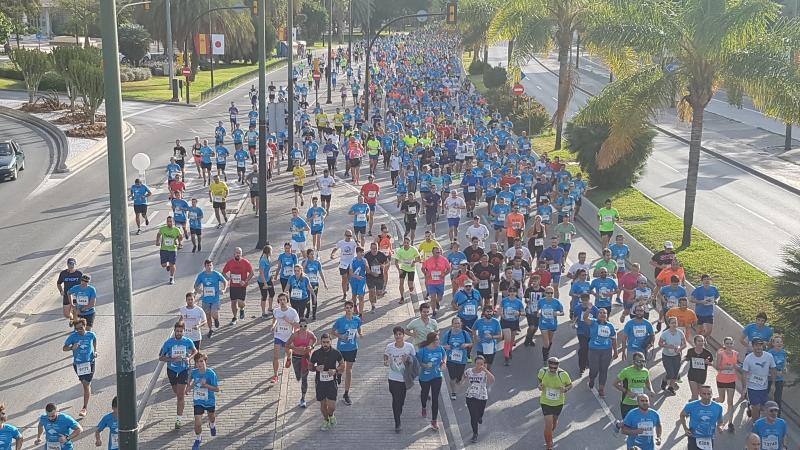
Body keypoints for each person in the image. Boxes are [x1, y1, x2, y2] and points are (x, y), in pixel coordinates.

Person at [159, 320, 198, 430]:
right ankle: (183, 394)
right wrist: (172, 359)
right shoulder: (168, 343)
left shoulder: (188, 341)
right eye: (177, 331)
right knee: (176, 392)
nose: (179, 333)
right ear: (174, 331)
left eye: (181, 331)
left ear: (183, 331)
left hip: (184, 369)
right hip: (172, 370)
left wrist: (189, 358)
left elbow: (195, 351)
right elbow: (161, 357)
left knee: (180, 396)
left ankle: (178, 420)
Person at [384, 326, 416, 433]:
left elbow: (414, 360)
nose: (398, 336)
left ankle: (398, 413)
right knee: (395, 399)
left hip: (404, 379)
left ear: (403, 335)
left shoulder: (409, 346)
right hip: (393, 378)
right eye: (396, 334)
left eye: (400, 334)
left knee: (401, 401)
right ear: (394, 335)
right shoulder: (390, 346)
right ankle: (397, 422)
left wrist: (408, 358)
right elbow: (385, 354)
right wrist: (385, 361)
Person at [62, 318, 97, 417]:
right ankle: (88, 391)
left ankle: (84, 407)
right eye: (77, 329)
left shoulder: (91, 335)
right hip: (78, 364)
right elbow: (64, 348)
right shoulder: (73, 337)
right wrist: (71, 348)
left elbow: (94, 340)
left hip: (89, 362)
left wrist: (95, 351)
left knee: (86, 384)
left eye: (81, 328)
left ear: (85, 326)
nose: (79, 330)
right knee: (84, 384)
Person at [537, 357, 572, 450]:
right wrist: (540, 386)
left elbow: (570, 385)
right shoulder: (542, 371)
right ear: (548, 366)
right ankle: (549, 444)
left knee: (554, 424)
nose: (552, 369)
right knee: (548, 425)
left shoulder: (563, 374)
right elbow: (539, 380)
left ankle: (550, 434)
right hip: (545, 402)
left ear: (558, 366)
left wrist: (565, 389)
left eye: (555, 368)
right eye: (551, 367)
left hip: (558, 403)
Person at [332, 301, 362, 406]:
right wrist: (340, 336)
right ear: (344, 309)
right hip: (341, 348)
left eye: (350, 308)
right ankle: (339, 373)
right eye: (347, 308)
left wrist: (360, 333)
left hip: (352, 348)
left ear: (353, 309)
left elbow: (359, 328)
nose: (348, 309)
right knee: (341, 367)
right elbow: (333, 331)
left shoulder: (357, 319)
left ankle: (346, 394)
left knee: (349, 370)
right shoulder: (340, 321)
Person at [188, 352, 220, 449]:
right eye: (197, 362)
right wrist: (188, 387)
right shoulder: (194, 372)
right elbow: (191, 379)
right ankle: (198, 439)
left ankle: (212, 425)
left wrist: (205, 385)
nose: (199, 364)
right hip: (198, 400)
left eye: (201, 361)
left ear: (205, 361)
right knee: (197, 422)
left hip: (209, 400)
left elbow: (217, 389)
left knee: (211, 417)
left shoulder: (211, 374)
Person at [416, 332, 447, 431]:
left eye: (438, 339)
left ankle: (434, 420)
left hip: (437, 375)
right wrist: (425, 365)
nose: (438, 341)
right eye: (437, 340)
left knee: (435, 398)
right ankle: (424, 407)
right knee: (424, 394)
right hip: (425, 377)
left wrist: (444, 363)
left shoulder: (440, 348)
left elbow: (444, 355)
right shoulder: (422, 351)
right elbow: (418, 362)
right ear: (431, 341)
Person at [584, 305, 617, 397]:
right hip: (594, 350)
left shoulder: (610, 326)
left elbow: (614, 339)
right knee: (594, 369)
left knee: (604, 370)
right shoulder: (593, 322)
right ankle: (592, 379)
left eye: (604, 313)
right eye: (600, 313)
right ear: (597, 315)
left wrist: (615, 351)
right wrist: (588, 309)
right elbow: (585, 318)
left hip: (606, 350)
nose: (602, 314)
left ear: (607, 315)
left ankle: (601, 389)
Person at [680, 384, 724, 450]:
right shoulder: (691, 405)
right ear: (700, 394)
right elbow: (682, 415)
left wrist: (720, 427)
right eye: (704, 394)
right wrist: (685, 428)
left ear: (712, 394)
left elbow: (720, 421)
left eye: (708, 394)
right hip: (694, 436)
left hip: (709, 437)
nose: (706, 396)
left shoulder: (718, 407)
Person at [742, 338, 777, 420]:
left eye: (760, 345)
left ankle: (750, 408)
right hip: (752, 387)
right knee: (756, 407)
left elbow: (773, 369)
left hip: (764, 387)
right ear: (752, 346)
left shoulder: (768, 356)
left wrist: (773, 384)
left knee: (762, 408)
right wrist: (744, 388)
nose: (759, 347)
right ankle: (756, 424)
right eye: (756, 345)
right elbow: (744, 373)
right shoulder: (748, 358)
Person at [614, 352, 654, 421]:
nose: (641, 364)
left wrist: (651, 390)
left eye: (643, 361)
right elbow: (615, 383)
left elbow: (647, 381)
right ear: (633, 362)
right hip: (627, 403)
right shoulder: (626, 371)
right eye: (639, 361)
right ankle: (618, 425)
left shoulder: (645, 371)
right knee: (627, 423)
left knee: (639, 423)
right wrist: (627, 392)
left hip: (640, 403)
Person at [287, 318, 317, 408]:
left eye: (305, 326)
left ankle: (303, 398)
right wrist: (296, 348)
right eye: (301, 326)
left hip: (306, 357)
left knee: (304, 378)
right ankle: (299, 377)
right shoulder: (295, 335)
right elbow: (287, 344)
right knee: (298, 376)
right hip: (296, 357)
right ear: (299, 326)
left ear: (307, 326)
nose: (303, 327)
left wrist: (312, 347)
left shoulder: (310, 334)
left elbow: (315, 340)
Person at [464, 355, 495, 443]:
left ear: (484, 364)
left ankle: (479, 417)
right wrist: (460, 383)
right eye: (478, 363)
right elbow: (464, 379)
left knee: (479, 414)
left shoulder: (485, 372)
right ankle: (475, 434)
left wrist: (486, 370)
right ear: (475, 363)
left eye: (481, 364)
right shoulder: (469, 371)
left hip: (482, 397)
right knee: (473, 416)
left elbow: (492, 380)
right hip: (470, 396)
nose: (479, 365)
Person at [271, 293, 300, 384]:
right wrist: (273, 325)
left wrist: (288, 321)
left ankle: (289, 358)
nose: (282, 302)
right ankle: (275, 376)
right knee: (276, 356)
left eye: (284, 299)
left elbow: (297, 325)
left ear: (287, 300)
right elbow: (274, 319)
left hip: (288, 336)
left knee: (288, 351)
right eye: (280, 300)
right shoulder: (276, 311)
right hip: (278, 335)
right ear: (278, 301)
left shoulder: (292, 312)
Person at [194, 259, 227, 338]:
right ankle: (210, 329)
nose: (209, 267)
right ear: (205, 266)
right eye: (207, 266)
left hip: (215, 298)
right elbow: (195, 285)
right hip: (205, 299)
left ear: (212, 266)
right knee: (208, 316)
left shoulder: (216, 274)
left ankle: (216, 319)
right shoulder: (201, 275)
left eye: (210, 265)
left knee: (213, 312)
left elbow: (225, 281)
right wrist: (198, 290)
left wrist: (224, 289)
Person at [442, 317, 473, 399]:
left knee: (459, 377)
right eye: (455, 323)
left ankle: (458, 380)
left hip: (461, 359)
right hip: (450, 359)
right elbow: (442, 346)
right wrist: (446, 347)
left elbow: (471, 344)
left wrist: (466, 345)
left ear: (461, 324)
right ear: (452, 324)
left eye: (458, 323)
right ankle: (453, 392)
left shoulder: (464, 333)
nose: (457, 325)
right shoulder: (448, 334)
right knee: (452, 377)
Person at [222, 247, 254, 325]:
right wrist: (228, 278)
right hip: (233, 285)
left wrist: (245, 281)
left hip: (242, 285)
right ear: (234, 254)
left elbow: (251, 273)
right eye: (236, 253)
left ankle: (242, 309)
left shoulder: (245, 262)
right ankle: (234, 317)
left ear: (241, 254)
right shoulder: (230, 262)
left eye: (239, 253)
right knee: (233, 302)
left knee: (240, 303)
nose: (238, 254)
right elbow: (223, 272)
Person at [714, 336, 738, 432]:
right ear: (724, 344)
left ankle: (730, 423)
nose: (729, 345)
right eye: (727, 343)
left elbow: (735, 365)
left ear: (733, 344)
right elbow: (717, 367)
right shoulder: (721, 353)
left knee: (730, 402)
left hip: (731, 379)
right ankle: (715, 400)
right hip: (721, 379)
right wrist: (727, 368)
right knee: (722, 399)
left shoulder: (736, 353)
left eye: (731, 343)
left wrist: (737, 367)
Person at [658, 317, 687, 395]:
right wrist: (668, 346)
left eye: (675, 322)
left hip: (677, 355)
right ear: (669, 324)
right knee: (670, 373)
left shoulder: (680, 333)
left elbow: (685, 344)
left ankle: (671, 387)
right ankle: (664, 381)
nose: (674, 324)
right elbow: (660, 343)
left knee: (675, 374)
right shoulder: (665, 333)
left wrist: (679, 349)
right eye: (672, 323)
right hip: (667, 356)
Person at [422, 247, 451, 317]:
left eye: (439, 252)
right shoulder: (428, 260)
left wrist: (444, 274)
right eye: (437, 252)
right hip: (431, 282)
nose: (438, 253)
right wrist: (426, 273)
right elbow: (423, 268)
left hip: (440, 282)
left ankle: (437, 302)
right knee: (433, 298)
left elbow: (449, 268)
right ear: (433, 253)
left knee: (440, 297)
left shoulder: (444, 260)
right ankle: (433, 311)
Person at [537, 287, 564, 363]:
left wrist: (557, 314)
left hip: (552, 324)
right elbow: (538, 309)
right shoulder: (541, 301)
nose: (550, 294)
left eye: (551, 293)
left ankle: (547, 351)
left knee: (550, 340)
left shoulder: (556, 302)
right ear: (545, 293)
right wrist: (538, 312)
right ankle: (545, 358)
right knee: (546, 343)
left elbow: (562, 312)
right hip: (543, 324)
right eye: (548, 293)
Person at [499, 287, 524, 366]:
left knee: (512, 339)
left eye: (514, 291)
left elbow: (523, 312)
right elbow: (500, 309)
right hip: (505, 321)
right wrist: (501, 314)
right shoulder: (504, 300)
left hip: (514, 322)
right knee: (507, 339)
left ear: (516, 293)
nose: (512, 293)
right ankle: (506, 357)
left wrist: (519, 313)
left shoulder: (519, 302)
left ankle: (509, 350)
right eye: (510, 291)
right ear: (508, 292)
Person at [685, 334, 714, 401]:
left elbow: (711, 363)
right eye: (699, 341)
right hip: (692, 375)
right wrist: (683, 359)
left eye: (702, 341)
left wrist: (707, 363)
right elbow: (687, 358)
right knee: (695, 396)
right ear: (695, 342)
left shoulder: (707, 353)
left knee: (701, 395)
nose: (701, 342)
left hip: (702, 376)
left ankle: (692, 401)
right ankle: (693, 401)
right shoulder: (690, 351)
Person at [472, 306, 502, 370]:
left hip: (491, 348)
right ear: (484, 312)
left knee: (488, 366)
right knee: (480, 365)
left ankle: (487, 373)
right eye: (487, 311)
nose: (489, 313)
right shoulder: (479, 321)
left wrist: (492, 337)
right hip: (480, 347)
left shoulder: (496, 322)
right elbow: (473, 329)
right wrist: (476, 336)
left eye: (490, 311)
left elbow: (500, 335)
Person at [331, 230, 358, 300]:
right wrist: (332, 254)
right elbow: (335, 248)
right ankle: (344, 294)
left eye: (350, 236)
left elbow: (360, 248)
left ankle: (347, 283)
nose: (349, 237)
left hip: (351, 263)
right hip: (343, 263)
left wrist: (356, 240)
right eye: (348, 235)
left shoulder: (353, 242)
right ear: (345, 235)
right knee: (344, 278)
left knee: (349, 278)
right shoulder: (341, 242)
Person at [57, 258, 83, 325]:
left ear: (75, 264)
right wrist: (61, 291)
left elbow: (83, 284)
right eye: (69, 264)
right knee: (66, 314)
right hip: (66, 295)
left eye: (72, 264)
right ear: (67, 264)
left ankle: (75, 325)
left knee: (75, 311)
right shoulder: (63, 273)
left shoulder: (79, 274)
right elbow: (59, 283)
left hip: (76, 295)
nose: (71, 265)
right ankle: (71, 318)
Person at [157, 216, 182, 284]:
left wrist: (180, 242)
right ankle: (167, 264)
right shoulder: (163, 229)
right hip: (164, 249)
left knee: (172, 264)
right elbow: (158, 234)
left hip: (172, 249)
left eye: (170, 221)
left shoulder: (176, 230)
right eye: (168, 221)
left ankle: (171, 277)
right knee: (163, 265)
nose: (169, 223)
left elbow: (180, 237)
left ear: (173, 222)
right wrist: (157, 241)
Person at [767, 334, 788, 413]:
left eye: (781, 342)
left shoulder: (783, 352)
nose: (779, 343)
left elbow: (784, 363)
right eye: (777, 342)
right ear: (773, 343)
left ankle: (777, 415)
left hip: (779, 379)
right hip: (769, 378)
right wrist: (775, 372)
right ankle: (763, 412)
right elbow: (766, 366)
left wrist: (785, 369)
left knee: (778, 398)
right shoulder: (770, 353)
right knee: (765, 396)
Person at [257, 245, 276, 318]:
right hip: (262, 281)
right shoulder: (262, 260)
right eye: (271, 251)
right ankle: (263, 312)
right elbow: (261, 273)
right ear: (269, 251)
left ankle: (270, 308)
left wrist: (271, 275)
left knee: (272, 293)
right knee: (264, 296)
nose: (272, 252)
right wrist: (265, 283)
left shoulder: (268, 258)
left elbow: (268, 269)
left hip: (268, 279)